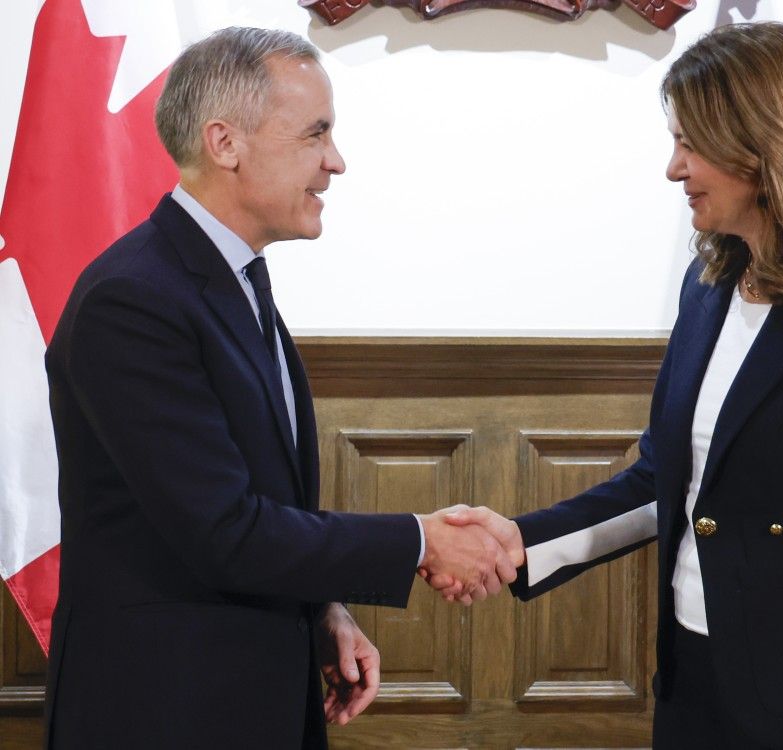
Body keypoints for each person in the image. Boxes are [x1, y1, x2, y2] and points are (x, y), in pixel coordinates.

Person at [428, 22, 783, 750]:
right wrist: (522, 543)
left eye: (691, 142)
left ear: (760, 141)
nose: (674, 168)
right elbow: (668, 482)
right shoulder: (710, 285)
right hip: (695, 688)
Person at [43, 27, 514, 750]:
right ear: (226, 143)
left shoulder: (228, 279)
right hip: (164, 710)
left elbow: (256, 500)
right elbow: (223, 530)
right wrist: (421, 541)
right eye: (315, 135)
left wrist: (321, 608)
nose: (336, 162)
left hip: (245, 691)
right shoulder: (133, 299)